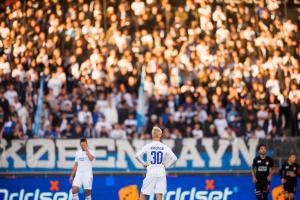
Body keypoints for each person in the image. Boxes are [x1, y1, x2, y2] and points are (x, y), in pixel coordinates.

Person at [135, 126, 177, 200]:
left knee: (143, 193)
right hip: (161, 171)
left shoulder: (148, 146)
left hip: (151, 170)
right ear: (160, 135)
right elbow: (174, 158)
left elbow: (137, 155)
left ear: (152, 135)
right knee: (159, 194)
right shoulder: (164, 146)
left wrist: (143, 163)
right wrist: (166, 165)